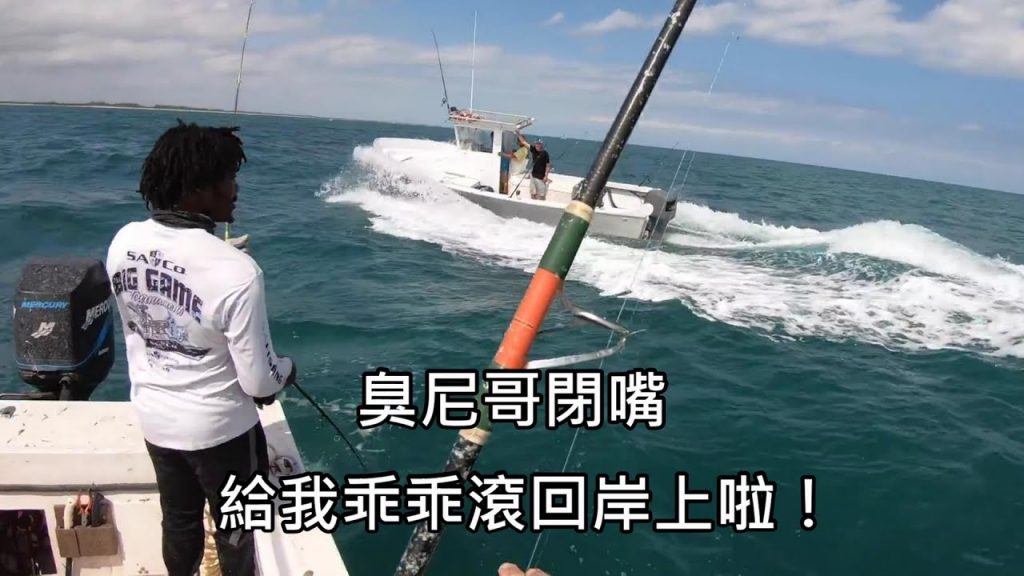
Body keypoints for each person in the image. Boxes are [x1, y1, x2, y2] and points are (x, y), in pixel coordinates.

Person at [105, 120, 296, 576]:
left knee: (179, 519)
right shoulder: (239, 272)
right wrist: (288, 370)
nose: (235, 190)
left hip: (156, 420)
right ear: (197, 189)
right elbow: (260, 383)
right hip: (221, 432)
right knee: (235, 530)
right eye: (228, 178)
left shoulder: (123, 241)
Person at [516, 131, 551, 200]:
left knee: (541, 195)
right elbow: (523, 142)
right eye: (536, 144)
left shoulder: (545, 153)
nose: (537, 145)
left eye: (539, 144)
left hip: (541, 177)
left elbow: (548, 165)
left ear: (541, 145)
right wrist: (518, 133)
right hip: (533, 175)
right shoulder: (533, 149)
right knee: (533, 193)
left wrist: (546, 176)